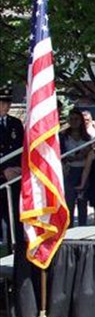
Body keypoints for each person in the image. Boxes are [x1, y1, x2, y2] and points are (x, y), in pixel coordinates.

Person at [59, 109, 91, 227]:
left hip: (84, 171)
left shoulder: (87, 137)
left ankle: (82, 226)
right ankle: (69, 226)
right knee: (69, 200)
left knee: (83, 201)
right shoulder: (63, 136)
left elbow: (89, 153)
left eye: (76, 119)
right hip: (69, 170)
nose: (74, 122)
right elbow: (61, 154)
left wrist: (83, 154)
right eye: (71, 119)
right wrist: (71, 158)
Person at [0, 88, 24, 244]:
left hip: (14, 175)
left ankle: (15, 246)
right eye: (3, 103)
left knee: (14, 214)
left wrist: (16, 169)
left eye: (8, 103)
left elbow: (20, 148)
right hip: (2, 174)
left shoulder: (15, 123)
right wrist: (3, 171)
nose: (6, 106)